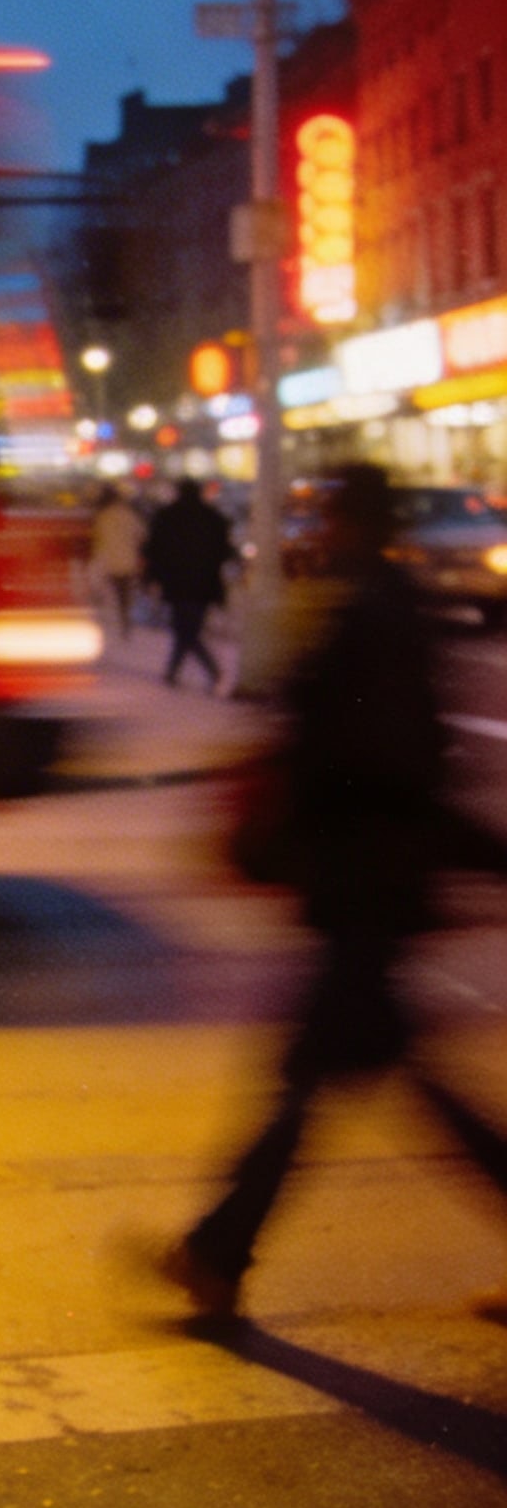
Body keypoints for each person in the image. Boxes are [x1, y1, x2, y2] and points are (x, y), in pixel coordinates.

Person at [159, 462, 507, 1321]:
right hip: (375, 882)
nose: (314, 527)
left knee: (310, 1078)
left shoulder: (366, 615)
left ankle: (218, 1250)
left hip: (366, 883)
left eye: (324, 511)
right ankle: (217, 1250)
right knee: (367, 1074)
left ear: (350, 519)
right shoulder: (384, 607)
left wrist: (291, 807)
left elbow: (378, 760)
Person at [144, 476, 236, 690]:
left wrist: (152, 578)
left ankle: (198, 670)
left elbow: (155, 550)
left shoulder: (167, 517)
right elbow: (224, 551)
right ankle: (180, 672)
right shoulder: (212, 517)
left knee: (184, 630)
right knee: (189, 630)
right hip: (205, 583)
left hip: (176, 582)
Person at [88, 484, 145, 638]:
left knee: (107, 594)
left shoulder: (102, 516)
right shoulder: (129, 515)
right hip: (128, 561)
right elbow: (141, 535)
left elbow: (96, 539)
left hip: (108, 561)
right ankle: (125, 622)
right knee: (124, 595)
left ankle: (109, 625)